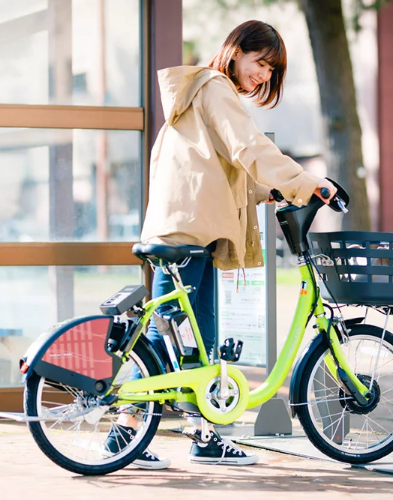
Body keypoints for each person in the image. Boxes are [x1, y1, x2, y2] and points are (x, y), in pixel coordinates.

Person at [107, 20, 337, 469]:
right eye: (261, 63)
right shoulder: (214, 87)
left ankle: (202, 434)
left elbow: (216, 173)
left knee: (196, 335)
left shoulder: (200, 93)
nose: (264, 75)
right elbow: (249, 148)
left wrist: (268, 192)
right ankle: (123, 432)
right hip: (187, 232)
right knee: (169, 330)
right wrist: (305, 183)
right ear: (236, 51)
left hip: (190, 229)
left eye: (272, 70)